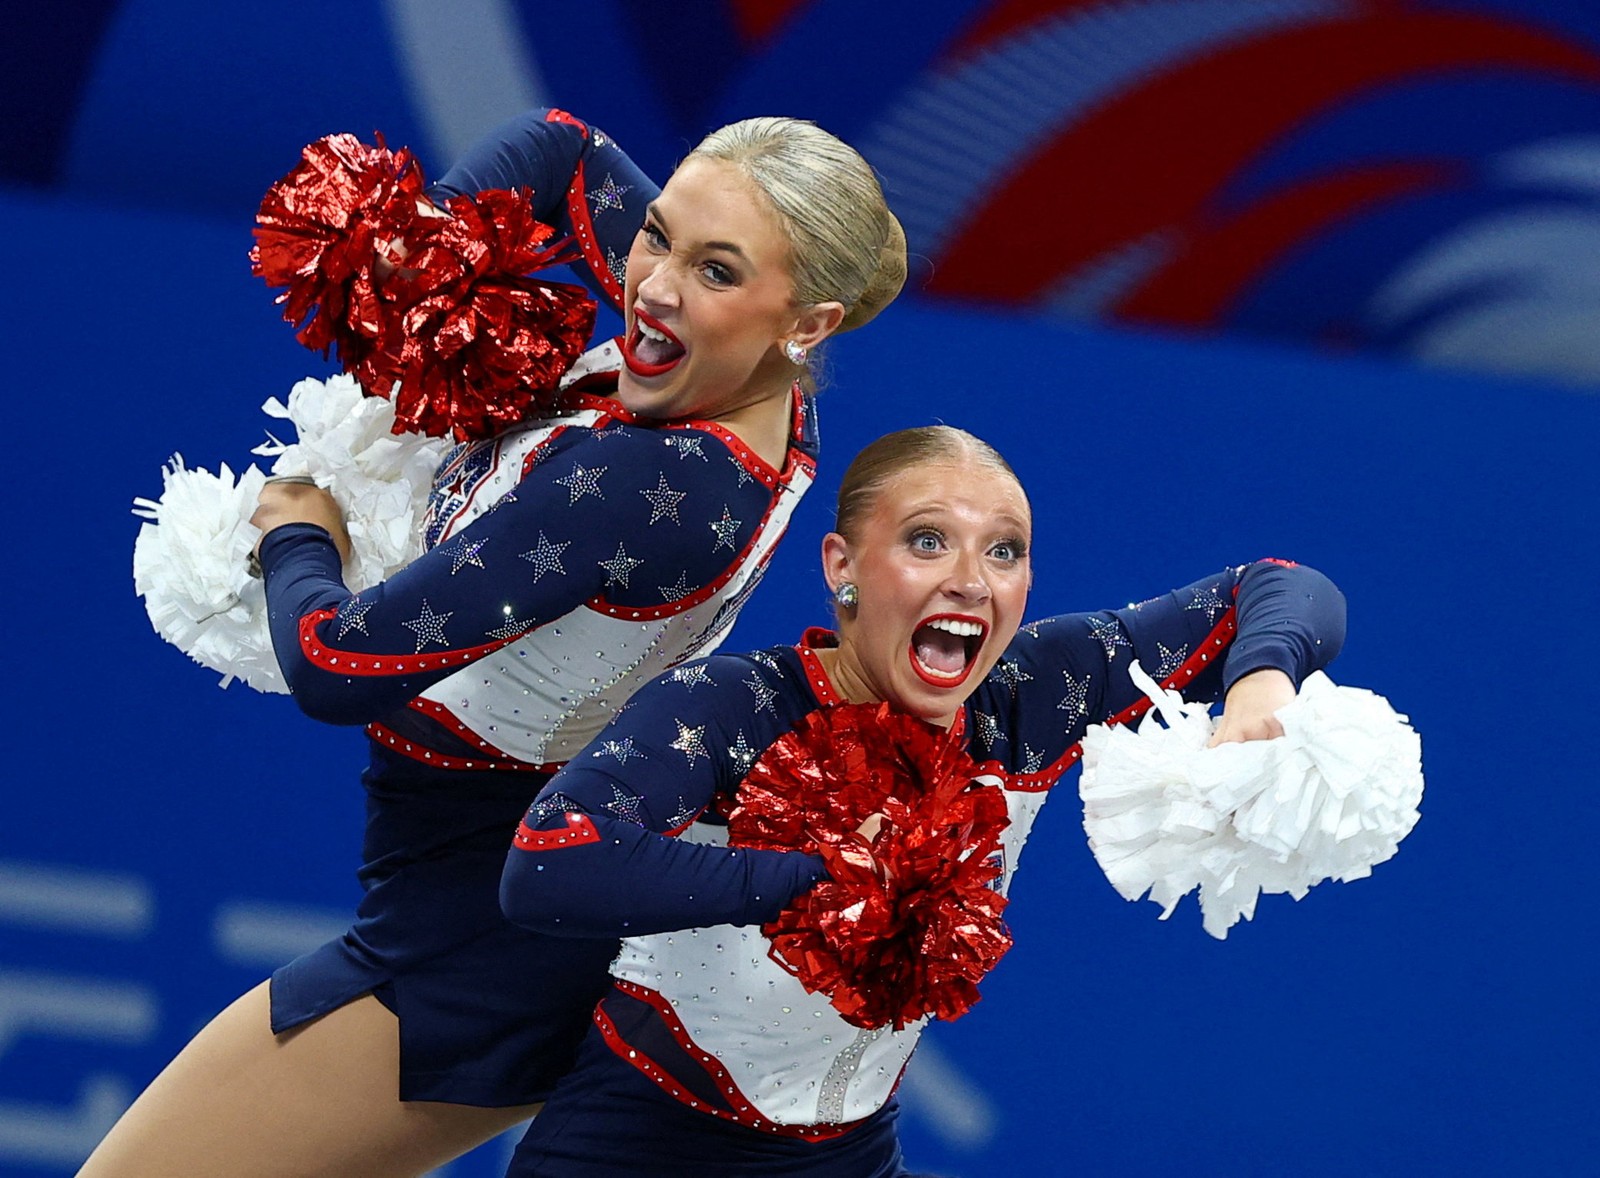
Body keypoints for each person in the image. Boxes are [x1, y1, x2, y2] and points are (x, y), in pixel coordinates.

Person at [83, 109, 905, 1178]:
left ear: (808, 318)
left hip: (476, 932)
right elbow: (559, 149)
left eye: (714, 268)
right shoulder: (736, 375)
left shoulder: (644, 487)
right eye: (656, 234)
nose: (652, 284)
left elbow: (336, 662)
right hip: (488, 891)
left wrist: (295, 525)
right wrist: (426, 274)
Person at [496, 425, 1347, 1175]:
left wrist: (1262, 686)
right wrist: (825, 878)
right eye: (928, 541)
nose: (972, 582)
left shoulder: (1026, 699)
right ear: (842, 568)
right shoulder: (729, 707)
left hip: (854, 1156)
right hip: (637, 1147)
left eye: (1004, 551)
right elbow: (549, 861)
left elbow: (1278, 585)